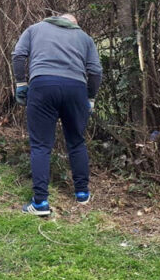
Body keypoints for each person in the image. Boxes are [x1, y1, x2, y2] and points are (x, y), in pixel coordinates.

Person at [12, 13, 103, 216]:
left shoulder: (35, 29)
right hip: (76, 88)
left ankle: (40, 203)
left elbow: (18, 55)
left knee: (41, 144)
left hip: (43, 86)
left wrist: (21, 83)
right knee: (76, 141)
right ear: (74, 24)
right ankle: (82, 193)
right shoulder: (85, 38)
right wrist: (90, 98)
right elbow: (95, 71)